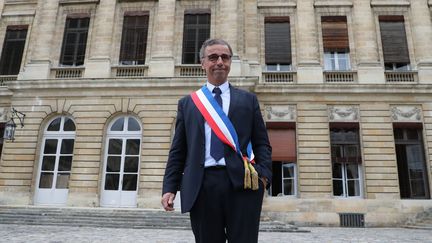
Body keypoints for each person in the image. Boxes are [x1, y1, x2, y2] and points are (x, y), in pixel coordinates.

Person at [161, 38, 272, 243]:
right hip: (202, 186)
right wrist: (169, 187)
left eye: (225, 57)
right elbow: (178, 150)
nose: (219, 61)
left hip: (243, 185)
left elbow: (262, 143)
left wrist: (263, 177)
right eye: (213, 57)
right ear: (203, 63)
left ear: (230, 62)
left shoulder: (248, 100)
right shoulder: (188, 104)